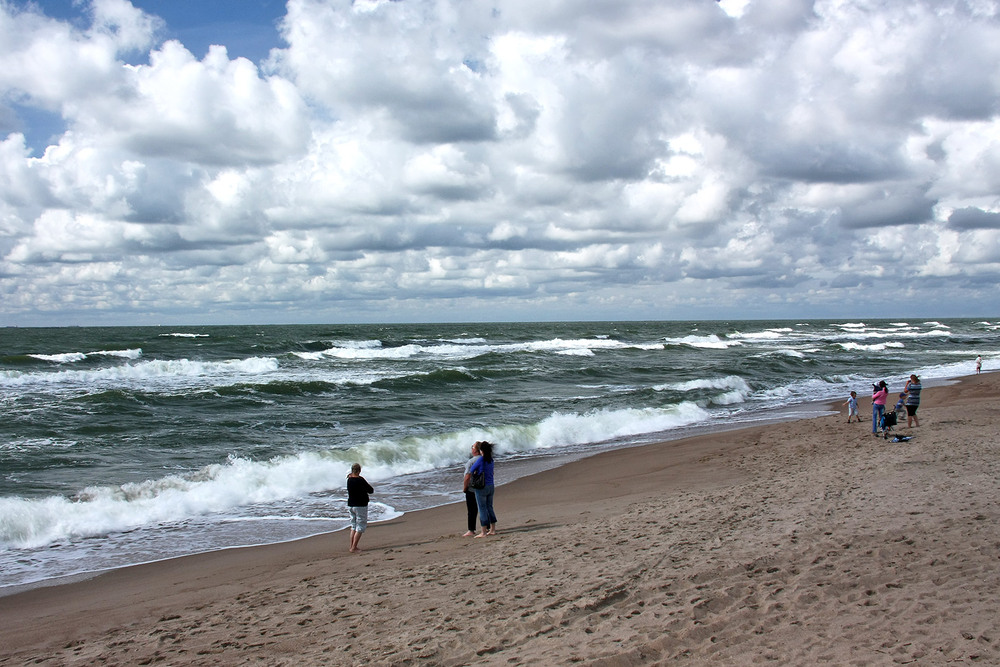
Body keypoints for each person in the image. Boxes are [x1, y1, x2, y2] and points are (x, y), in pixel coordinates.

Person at [470, 441, 497, 538]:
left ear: (481, 450)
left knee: (482, 509)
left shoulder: (481, 460)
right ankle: (493, 529)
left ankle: (483, 532)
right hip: (491, 485)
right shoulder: (491, 460)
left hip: (482, 487)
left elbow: (472, 470)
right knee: (490, 507)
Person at [347, 463, 374, 553]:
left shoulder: (349, 479)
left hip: (351, 504)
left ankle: (352, 546)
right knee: (360, 526)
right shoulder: (360, 480)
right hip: (360, 505)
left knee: (353, 526)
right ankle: (354, 547)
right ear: (359, 471)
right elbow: (371, 490)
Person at [461, 441, 482, 537]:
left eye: (472, 447)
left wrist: (465, 487)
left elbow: (467, 476)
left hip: (472, 488)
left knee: (472, 510)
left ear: (475, 450)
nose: (471, 449)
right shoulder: (485, 459)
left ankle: (471, 529)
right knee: (483, 508)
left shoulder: (472, 461)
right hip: (483, 486)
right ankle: (487, 527)